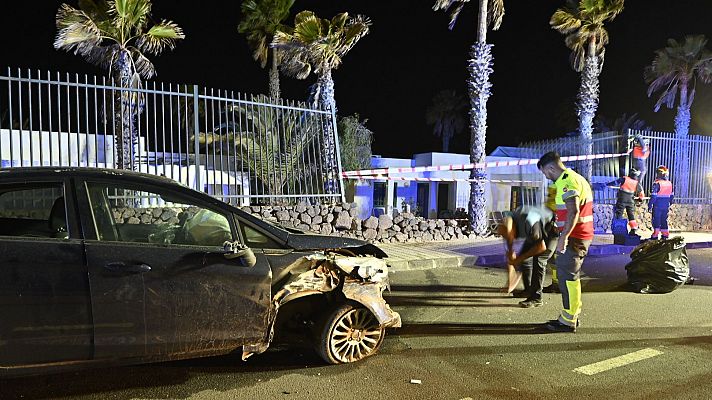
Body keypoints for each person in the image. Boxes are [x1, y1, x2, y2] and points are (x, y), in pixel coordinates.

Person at [537, 151, 594, 333]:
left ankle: (568, 320)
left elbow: (573, 211)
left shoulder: (567, 181)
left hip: (574, 237)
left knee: (568, 277)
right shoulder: (576, 178)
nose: (546, 177)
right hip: (578, 235)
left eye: (546, 173)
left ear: (551, 168)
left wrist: (563, 238)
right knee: (570, 276)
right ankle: (571, 316)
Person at [497, 205, 558, 308]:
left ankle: (536, 298)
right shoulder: (508, 219)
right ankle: (528, 290)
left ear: (514, 229)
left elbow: (541, 247)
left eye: (511, 236)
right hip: (536, 234)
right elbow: (509, 241)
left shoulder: (530, 221)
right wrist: (512, 254)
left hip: (551, 233)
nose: (511, 239)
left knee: (539, 259)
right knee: (525, 259)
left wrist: (518, 259)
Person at [607, 168, 645, 235]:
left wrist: (606, 184)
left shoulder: (625, 179)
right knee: (631, 215)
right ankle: (633, 229)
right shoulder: (637, 183)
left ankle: (618, 228)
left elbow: (615, 182)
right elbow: (641, 194)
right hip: (631, 201)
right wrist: (639, 199)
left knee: (619, 213)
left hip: (622, 200)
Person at [649, 165, 674, 240]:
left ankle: (655, 235)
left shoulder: (657, 183)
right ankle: (665, 235)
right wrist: (670, 203)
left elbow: (653, 196)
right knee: (664, 219)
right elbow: (672, 196)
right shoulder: (670, 183)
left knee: (656, 219)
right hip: (666, 205)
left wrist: (650, 205)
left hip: (657, 205)